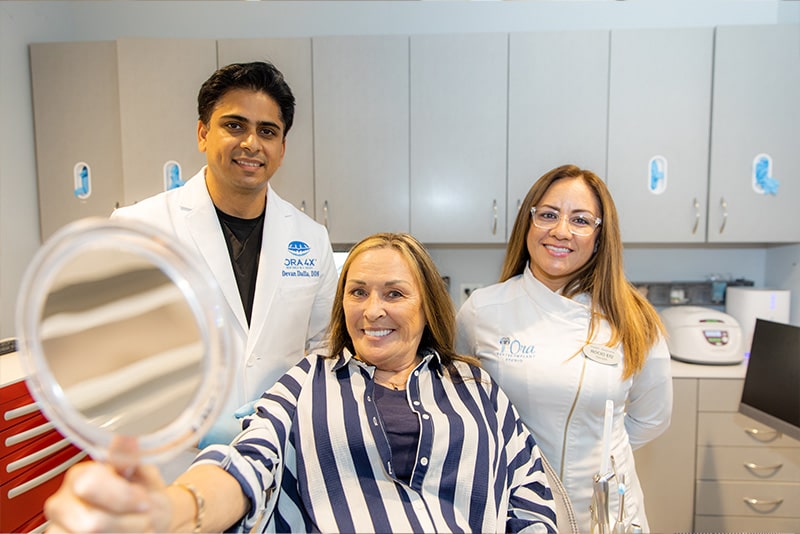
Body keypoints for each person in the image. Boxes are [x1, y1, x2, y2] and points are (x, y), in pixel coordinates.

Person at [43, 233, 558, 533]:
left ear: (427, 307)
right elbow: (243, 466)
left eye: (394, 293)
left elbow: (531, 496)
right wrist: (171, 513)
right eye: (357, 292)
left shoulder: (473, 385)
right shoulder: (309, 380)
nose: (372, 309)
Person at [111, 62, 338, 446]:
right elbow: (113, 355)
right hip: (172, 457)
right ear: (203, 133)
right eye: (234, 125)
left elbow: (327, 347)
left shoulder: (311, 238)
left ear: (281, 150)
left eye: (267, 131)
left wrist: (289, 408)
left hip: (276, 449)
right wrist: (191, 426)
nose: (251, 143)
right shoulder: (138, 228)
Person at [455, 164, 672, 531]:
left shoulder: (633, 318)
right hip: (514, 507)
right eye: (549, 215)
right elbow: (460, 408)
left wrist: (599, 459)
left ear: (601, 236)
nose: (561, 231)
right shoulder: (482, 310)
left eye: (581, 220)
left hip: (606, 512)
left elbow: (653, 417)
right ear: (529, 222)